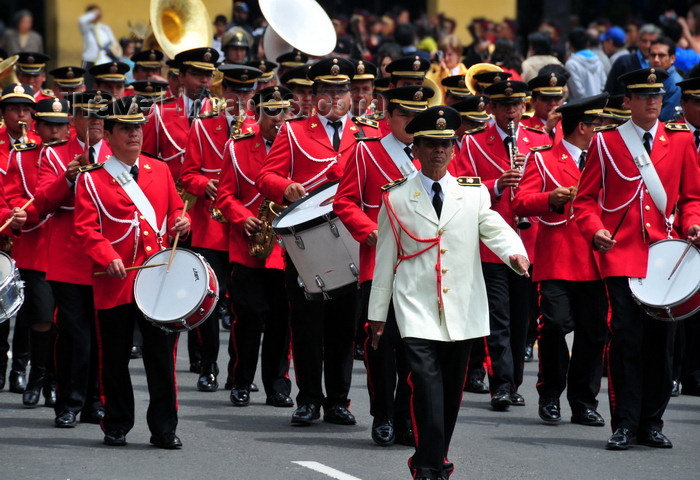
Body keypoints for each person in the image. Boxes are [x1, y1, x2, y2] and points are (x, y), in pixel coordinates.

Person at [368, 105, 529, 480]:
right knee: (425, 385)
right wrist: (378, 315)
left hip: (462, 307)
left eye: (446, 145)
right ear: (417, 149)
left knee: (452, 390)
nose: (439, 151)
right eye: (430, 145)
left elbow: (494, 227)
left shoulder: (472, 193)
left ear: (454, 150)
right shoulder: (394, 197)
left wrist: (514, 252)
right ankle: (427, 464)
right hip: (415, 306)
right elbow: (385, 258)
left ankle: (437, 458)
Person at [574, 68, 700, 450]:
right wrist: (594, 230)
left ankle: (651, 422)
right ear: (627, 101)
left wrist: (693, 224)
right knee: (627, 339)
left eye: (657, 96)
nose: (652, 102)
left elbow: (692, 197)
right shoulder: (607, 142)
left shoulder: (678, 142)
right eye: (643, 96)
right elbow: (584, 201)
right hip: (622, 256)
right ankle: (625, 423)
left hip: (666, 257)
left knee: (662, 344)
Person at [256, 57, 377, 427]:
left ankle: (338, 400)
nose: (336, 96)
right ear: (314, 94)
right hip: (307, 242)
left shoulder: (367, 132)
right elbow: (266, 174)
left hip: (352, 236)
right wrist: (284, 186)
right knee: (308, 321)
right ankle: (308, 398)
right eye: (327, 90)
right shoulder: (293, 132)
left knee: (344, 323)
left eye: (342, 90)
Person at [74, 95, 190, 448]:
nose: (134, 135)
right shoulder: (91, 180)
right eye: (125, 129)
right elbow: (86, 230)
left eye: (137, 128)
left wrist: (181, 222)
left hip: (157, 280)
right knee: (114, 357)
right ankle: (117, 423)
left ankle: (164, 428)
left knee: (160, 356)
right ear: (107, 134)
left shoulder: (161, 170)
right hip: (116, 280)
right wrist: (106, 255)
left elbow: (174, 210)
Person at [335, 85, 432, 446]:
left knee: (414, 346)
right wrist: (367, 230)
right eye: (404, 115)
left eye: (416, 116)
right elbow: (344, 201)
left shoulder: (432, 154)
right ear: (388, 116)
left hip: (420, 264)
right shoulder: (366, 151)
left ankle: (406, 417)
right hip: (378, 263)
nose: (411, 122)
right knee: (381, 343)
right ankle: (383, 415)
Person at [513, 93, 609, 427]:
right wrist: (548, 199)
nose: (600, 131)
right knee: (553, 326)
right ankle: (550, 394)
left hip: (597, 260)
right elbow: (521, 203)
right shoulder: (542, 159)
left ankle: (583, 401)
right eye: (596, 125)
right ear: (582, 127)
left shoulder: (606, 158)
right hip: (558, 259)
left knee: (593, 333)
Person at [453, 80, 550, 410]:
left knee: (522, 317)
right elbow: (461, 187)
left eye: (517, 105)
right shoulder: (474, 142)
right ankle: (502, 384)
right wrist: (497, 185)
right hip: (491, 243)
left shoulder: (539, 141)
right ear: (490, 109)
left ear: (524, 107)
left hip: (529, 239)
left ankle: (514, 381)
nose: (511, 111)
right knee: (498, 317)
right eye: (503, 105)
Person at [35, 91, 112, 428]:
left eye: (100, 116)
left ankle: (97, 400)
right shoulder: (54, 155)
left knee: (103, 335)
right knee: (74, 335)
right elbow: (41, 204)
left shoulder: (116, 154)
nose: (95, 121)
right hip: (68, 256)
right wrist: (68, 178)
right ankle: (69, 402)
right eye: (88, 115)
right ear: (74, 121)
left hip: (107, 255)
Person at [216, 85, 294, 408]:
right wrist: (242, 217)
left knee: (281, 319)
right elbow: (224, 196)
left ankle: (277, 385)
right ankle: (241, 381)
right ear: (257, 114)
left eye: (283, 112)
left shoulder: (296, 147)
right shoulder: (236, 148)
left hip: (285, 248)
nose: (278, 119)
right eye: (271, 112)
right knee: (247, 318)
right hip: (248, 246)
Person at [3, 92, 57, 409]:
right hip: (34, 243)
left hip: (68, 244)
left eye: (59, 125)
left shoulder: (75, 156)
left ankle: (53, 380)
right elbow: (13, 194)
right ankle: (37, 377)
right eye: (48, 124)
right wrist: (16, 216)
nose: (55, 130)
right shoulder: (24, 154)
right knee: (39, 317)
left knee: (63, 320)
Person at [142, 47, 218, 182]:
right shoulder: (160, 111)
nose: (204, 80)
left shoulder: (221, 113)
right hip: (172, 194)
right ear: (181, 77)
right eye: (197, 74)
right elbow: (146, 160)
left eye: (208, 75)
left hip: (208, 197)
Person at [604, 24, 661, 96]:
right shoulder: (623, 62)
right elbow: (609, 92)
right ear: (638, 41)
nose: (647, 45)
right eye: (644, 41)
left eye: (652, 42)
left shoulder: (661, 64)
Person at [522, 72, 567, 144]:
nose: (552, 103)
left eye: (557, 98)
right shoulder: (522, 126)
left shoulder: (569, 125)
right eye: (546, 99)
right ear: (533, 102)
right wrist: (546, 129)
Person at [565, 28, 606, 100]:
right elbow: (603, 85)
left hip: (579, 108)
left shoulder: (571, 64)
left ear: (570, 45)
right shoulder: (598, 60)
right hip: (598, 106)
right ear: (587, 43)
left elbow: (578, 92)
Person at [648, 37, 682, 122]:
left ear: (672, 58)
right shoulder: (653, 76)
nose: (656, 59)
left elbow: (666, 119)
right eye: (653, 55)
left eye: (661, 55)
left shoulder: (675, 84)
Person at [78, 5, 121, 73]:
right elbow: (81, 20)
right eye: (94, 14)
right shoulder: (86, 28)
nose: (97, 16)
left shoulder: (104, 28)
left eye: (98, 14)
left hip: (104, 60)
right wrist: (92, 14)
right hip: (90, 59)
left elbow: (113, 43)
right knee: (88, 81)